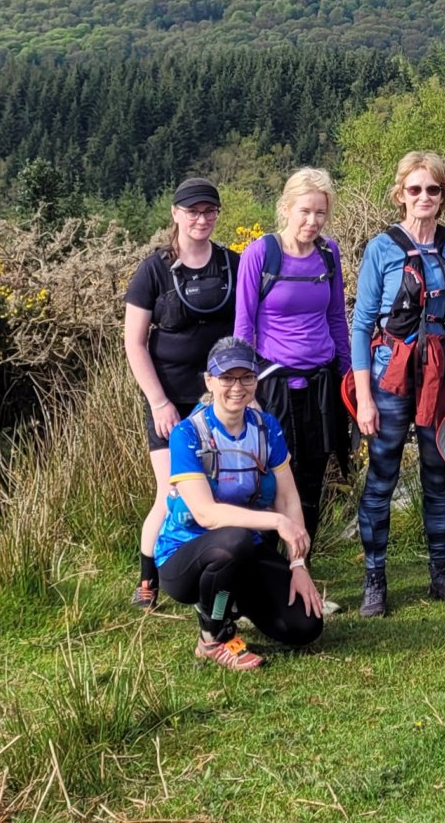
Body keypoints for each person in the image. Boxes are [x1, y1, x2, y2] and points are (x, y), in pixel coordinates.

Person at [350, 151, 445, 617]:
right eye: (415, 189)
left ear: (444, 196)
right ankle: (374, 580)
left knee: (437, 473)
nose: (424, 197)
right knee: (381, 476)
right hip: (391, 373)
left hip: (442, 374)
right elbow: (362, 324)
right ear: (400, 194)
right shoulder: (381, 248)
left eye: (433, 189)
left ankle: (441, 574)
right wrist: (365, 397)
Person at [156, 338, 327, 670]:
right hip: (184, 555)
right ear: (209, 381)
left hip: (245, 550)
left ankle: (231, 600)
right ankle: (213, 635)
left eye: (246, 377)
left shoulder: (267, 428)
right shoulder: (187, 434)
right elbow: (205, 513)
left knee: (305, 626)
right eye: (227, 378)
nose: (237, 387)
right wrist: (277, 523)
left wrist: (298, 566)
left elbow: (288, 496)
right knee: (234, 540)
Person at [124, 177, 240, 611]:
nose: (202, 219)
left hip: (222, 399)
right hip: (169, 401)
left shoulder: (233, 263)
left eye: (210, 211)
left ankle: (215, 570)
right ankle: (148, 578)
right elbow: (134, 343)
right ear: (175, 214)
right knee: (170, 492)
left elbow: (248, 327)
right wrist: (158, 402)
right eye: (192, 211)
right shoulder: (153, 270)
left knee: (224, 490)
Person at [235, 168, 350, 545]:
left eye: (320, 213)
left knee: (313, 480)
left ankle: (303, 572)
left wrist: (347, 379)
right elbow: (243, 327)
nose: (312, 221)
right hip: (273, 388)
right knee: (271, 478)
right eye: (304, 211)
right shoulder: (260, 254)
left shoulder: (328, 254)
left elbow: (336, 318)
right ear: (285, 208)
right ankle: (271, 574)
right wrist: (245, 390)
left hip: (320, 387)